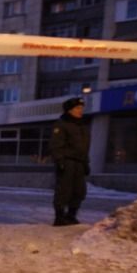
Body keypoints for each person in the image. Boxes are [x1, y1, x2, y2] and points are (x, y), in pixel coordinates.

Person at [49, 97, 91, 226]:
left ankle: (71, 215)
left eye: (81, 108)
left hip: (80, 162)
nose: (80, 111)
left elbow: (84, 147)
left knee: (79, 191)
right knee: (64, 190)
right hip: (67, 161)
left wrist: (86, 162)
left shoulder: (82, 125)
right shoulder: (61, 124)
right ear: (69, 110)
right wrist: (59, 160)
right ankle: (59, 217)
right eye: (77, 108)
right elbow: (56, 145)